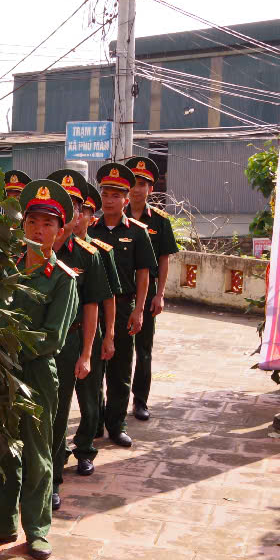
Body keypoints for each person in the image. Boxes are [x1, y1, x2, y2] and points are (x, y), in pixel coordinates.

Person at [0, 179, 79, 560]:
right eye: (32, 222)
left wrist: (8, 344)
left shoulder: (62, 279)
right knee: (0, 447)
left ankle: (38, 529)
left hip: (35, 376)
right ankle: (1, 522)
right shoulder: (4, 272)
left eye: (48, 224)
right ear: (22, 225)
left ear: (59, 231)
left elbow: (53, 338)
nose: (38, 230)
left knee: (35, 452)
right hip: (0, 372)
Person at [46, 169, 118, 507]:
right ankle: (47, 473)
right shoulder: (30, 252)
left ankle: (72, 462)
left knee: (80, 405)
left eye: (75, 207)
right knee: (50, 413)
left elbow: (94, 306)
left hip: (74, 339)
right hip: (41, 343)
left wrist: (89, 351)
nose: (71, 213)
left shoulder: (89, 255)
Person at [88, 162, 157, 448]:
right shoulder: (90, 230)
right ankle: (94, 424)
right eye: (105, 194)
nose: (109, 200)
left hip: (124, 306)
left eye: (116, 195)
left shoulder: (138, 232)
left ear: (126, 200)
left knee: (120, 370)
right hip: (93, 309)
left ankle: (116, 425)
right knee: (93, 369)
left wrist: (139, 310)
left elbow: (144, 274)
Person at [124, 156, 180, 421]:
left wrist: (160, 294)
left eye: (142, 184)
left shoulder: (160, 221)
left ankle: (140, 401)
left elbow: (164, 260)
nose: (137, 189)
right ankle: (113, 404)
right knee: (116, 350)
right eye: (133, 184)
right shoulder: (114, 218)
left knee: (143, 350)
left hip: (147, 293)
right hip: (120, 293)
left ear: (151, 189)